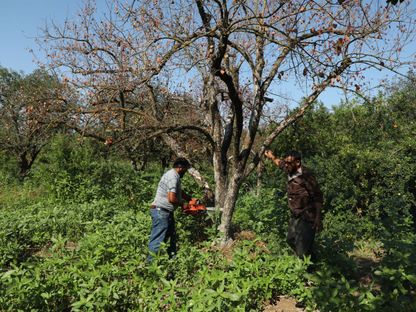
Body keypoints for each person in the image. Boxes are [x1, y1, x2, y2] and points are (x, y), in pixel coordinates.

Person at [264, 150, 323, 260]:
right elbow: (279, 163)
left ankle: (308, 270)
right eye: (286, 162)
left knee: (301, 251)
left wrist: (318, 218)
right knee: (290, 240)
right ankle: (313, 259)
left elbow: (318, 197)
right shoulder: (289, 168)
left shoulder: (306, 176)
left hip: (307, 216)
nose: (286, 165)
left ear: (297, 163)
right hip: (295, 215)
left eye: (289, 163)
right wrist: (271, 156)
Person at [147, 157, 192, 262]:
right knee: (157, 240)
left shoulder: (172, 175)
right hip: (161, 212)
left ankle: (172, 262)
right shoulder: (173, 177)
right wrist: (183, 204)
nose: (185, 172)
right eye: (185, 169)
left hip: (165, 212)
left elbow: (178, 191)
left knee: (171, 238)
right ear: (180, 167)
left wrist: (190, 198)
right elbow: (171, 198)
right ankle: (150, 267)